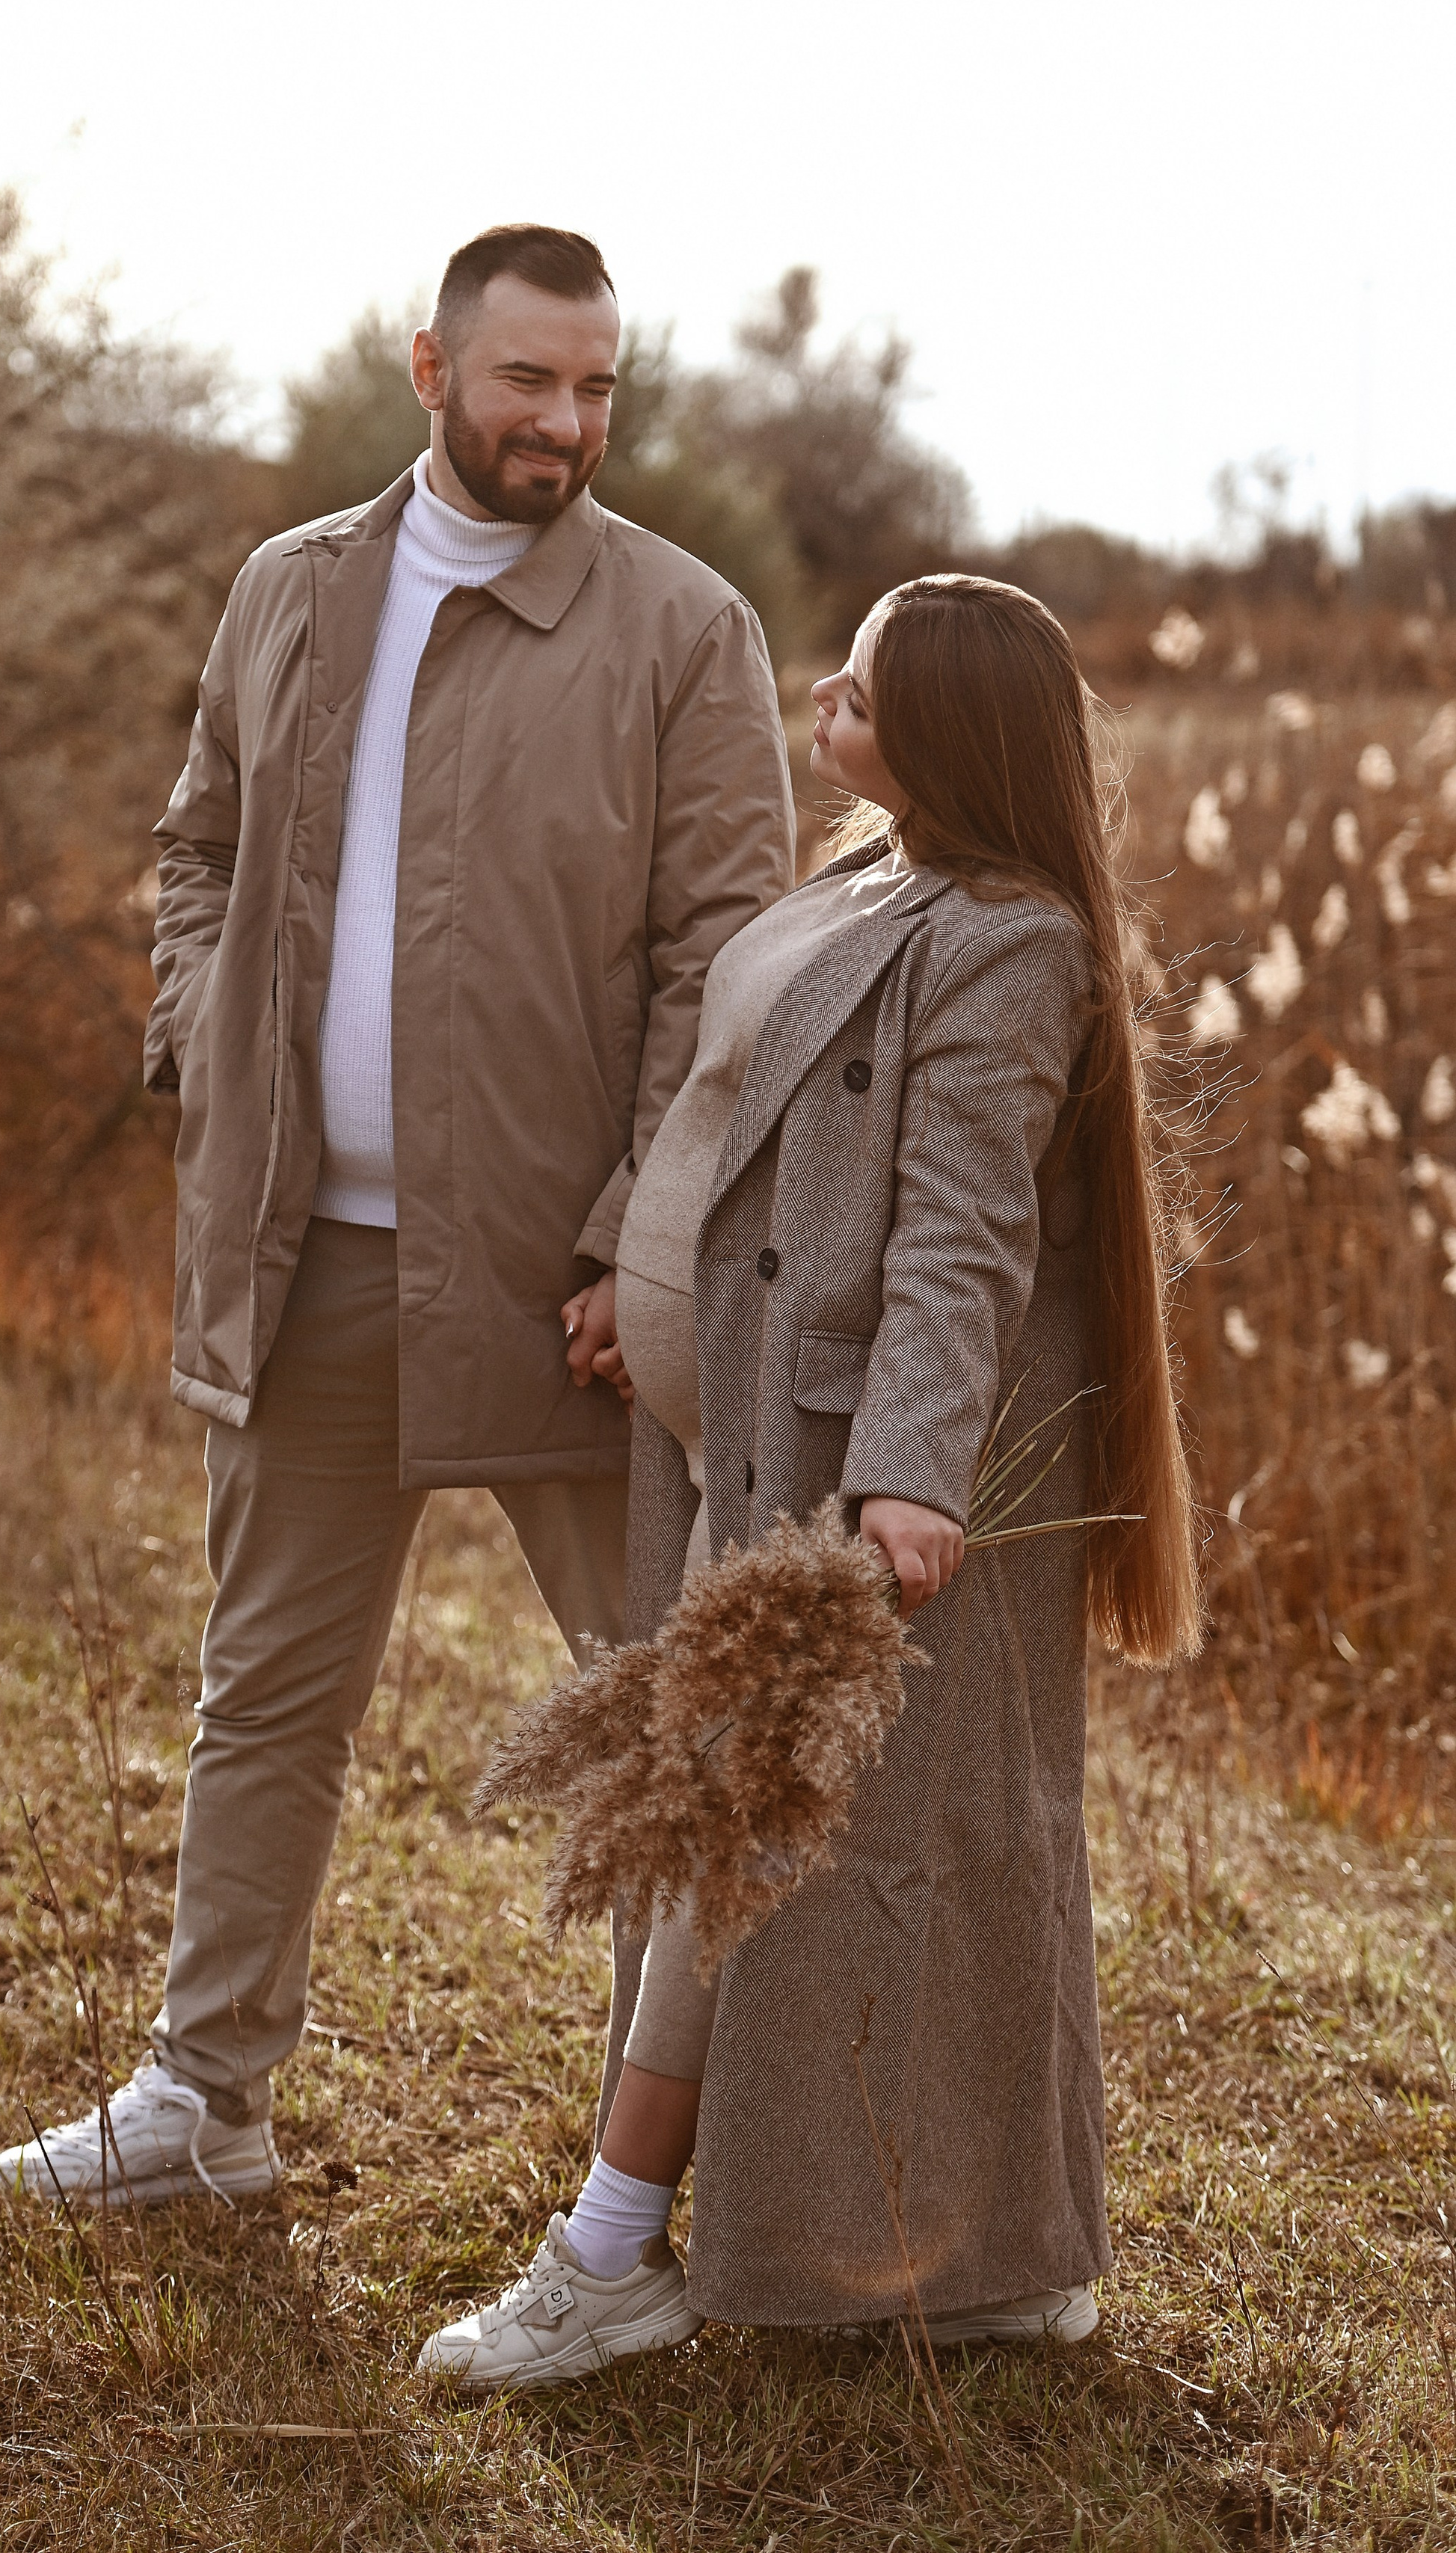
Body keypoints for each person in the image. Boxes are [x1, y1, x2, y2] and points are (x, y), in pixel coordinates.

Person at [0, 225, 795, 2206]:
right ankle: (205, 2106)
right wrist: (211, 1037)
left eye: (598, 387)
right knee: (266, 1692)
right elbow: (198, 850)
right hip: (308, 1260)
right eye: (529, 381)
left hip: (567, 1293)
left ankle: (668, 2184)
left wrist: (634, 1231)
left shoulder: (686, 630)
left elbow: (730, 957)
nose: (567, 423)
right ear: (432, 368)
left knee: (658, 1728)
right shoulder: (294, 587)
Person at [417, 574, 1202, 2386]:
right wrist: (630, 1262)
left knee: (766, 1841)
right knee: (782, 1846)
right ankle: (990, 2262)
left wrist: (912, 1475)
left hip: (853, 1472)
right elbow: (717, 1104)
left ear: (946, 728)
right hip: (731, 1437)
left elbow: (960, 1228)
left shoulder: (1007, 938)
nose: (821, 693)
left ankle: (613, 2247)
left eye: (859, 682)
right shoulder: (865, 874)